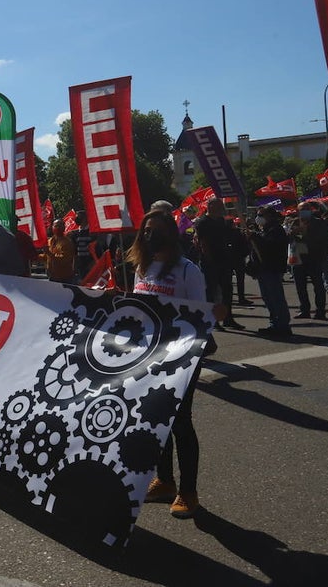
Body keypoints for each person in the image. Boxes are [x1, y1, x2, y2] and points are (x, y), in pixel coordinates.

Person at [126, 209, 208, 519]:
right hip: (149, 355)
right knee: (154, 419)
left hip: (182, 356)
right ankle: (165, 481)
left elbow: (202, 315)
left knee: (180, 422)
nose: (150, 236)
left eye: (157, 230)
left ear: (171, 234)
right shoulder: (142, 268)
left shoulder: (188, 271)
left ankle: (189, 492)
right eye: (146, 231)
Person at [194, 198, 245, 331]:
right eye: (217, 206)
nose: (220, 208)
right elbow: (203, 243)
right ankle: (213, 320)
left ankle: (228, 318)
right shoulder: (202, 222)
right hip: (210, 261)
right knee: (211, 291)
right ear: (210, 206)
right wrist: (209, 259)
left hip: (224, 260)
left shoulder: (222, 221)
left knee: (227, 290)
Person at [251, 206, 292, 337]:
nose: (258, 218)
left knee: (276, 297)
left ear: (269, 216)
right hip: (264, 268)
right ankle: (274, 322)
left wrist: (255, 237)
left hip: (272, 268)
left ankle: (282, 325)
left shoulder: (276, 230)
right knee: (268, 297)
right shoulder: (265, 230)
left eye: (260, 215)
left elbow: (270, 247)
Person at [290, 202, 328, 320]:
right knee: (300, 286)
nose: (304, 211)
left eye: (306, 209)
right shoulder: (294, 222)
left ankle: (320, 311)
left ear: (310, 210)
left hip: (314, 257)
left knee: (318, 286)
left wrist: (308, 234)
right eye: (301, 209)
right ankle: (304, 309)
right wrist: (293, 232)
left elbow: (327, 239)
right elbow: (289, 238)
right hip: (298, 257)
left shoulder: (319, 223)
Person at [43, 218, 76, 283]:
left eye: (60, 226)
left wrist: (48, 253)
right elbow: (47, 257)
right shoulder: (50, 241)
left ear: (64, 227)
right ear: (52, 227)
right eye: (56, 226)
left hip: (64, 278)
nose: (58, 228)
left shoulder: (67, 243)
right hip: (52, 276)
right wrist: (36, 256)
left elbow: (62, 260)